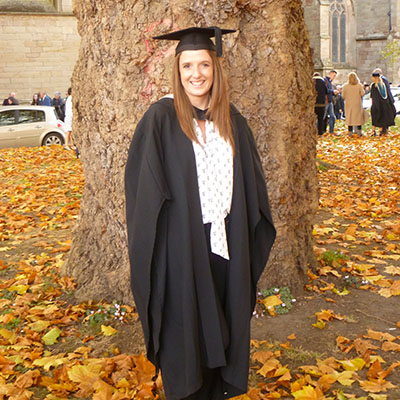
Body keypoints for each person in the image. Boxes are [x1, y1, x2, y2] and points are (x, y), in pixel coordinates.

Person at [125, 27, 276, 400]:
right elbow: (143, 193)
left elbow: (251, 185)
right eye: (188, 65)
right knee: (186, 335)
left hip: (227, 245)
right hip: (182, 248)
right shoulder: (160, 119)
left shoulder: (232, 121)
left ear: (215, 69)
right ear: (177, 71)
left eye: (204, 64)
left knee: (224, 329)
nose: (196, 73)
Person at [370, 71, 396, 136]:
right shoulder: (383, 85)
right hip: (384, 105)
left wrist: (372, 104)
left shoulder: (374, 85)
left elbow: (373, 96)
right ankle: (381, 131)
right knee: (381, 118)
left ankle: (373, 131)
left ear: (374, 77)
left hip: (376, 104)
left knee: (375, 118)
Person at [342, 72, 368, 137]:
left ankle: (350, 132)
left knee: (349, 118)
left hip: (348, 104)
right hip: (357, 104)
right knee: (358, 118)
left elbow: (343, 96)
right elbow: (362, 93)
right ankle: (359, 132)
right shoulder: (359, 85)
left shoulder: (345, 86)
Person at [323, 70, 338, 134]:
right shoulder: (325, 81)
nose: (334, 77)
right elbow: (325, 90)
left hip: (330, 101)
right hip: (326, 101)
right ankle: (320, 130)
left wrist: (334, 93)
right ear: (330, 74)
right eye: (334, 76)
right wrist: (333, 92)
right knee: (323, 116)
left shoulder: (329, 82)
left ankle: (331, 131)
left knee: (332, 116)